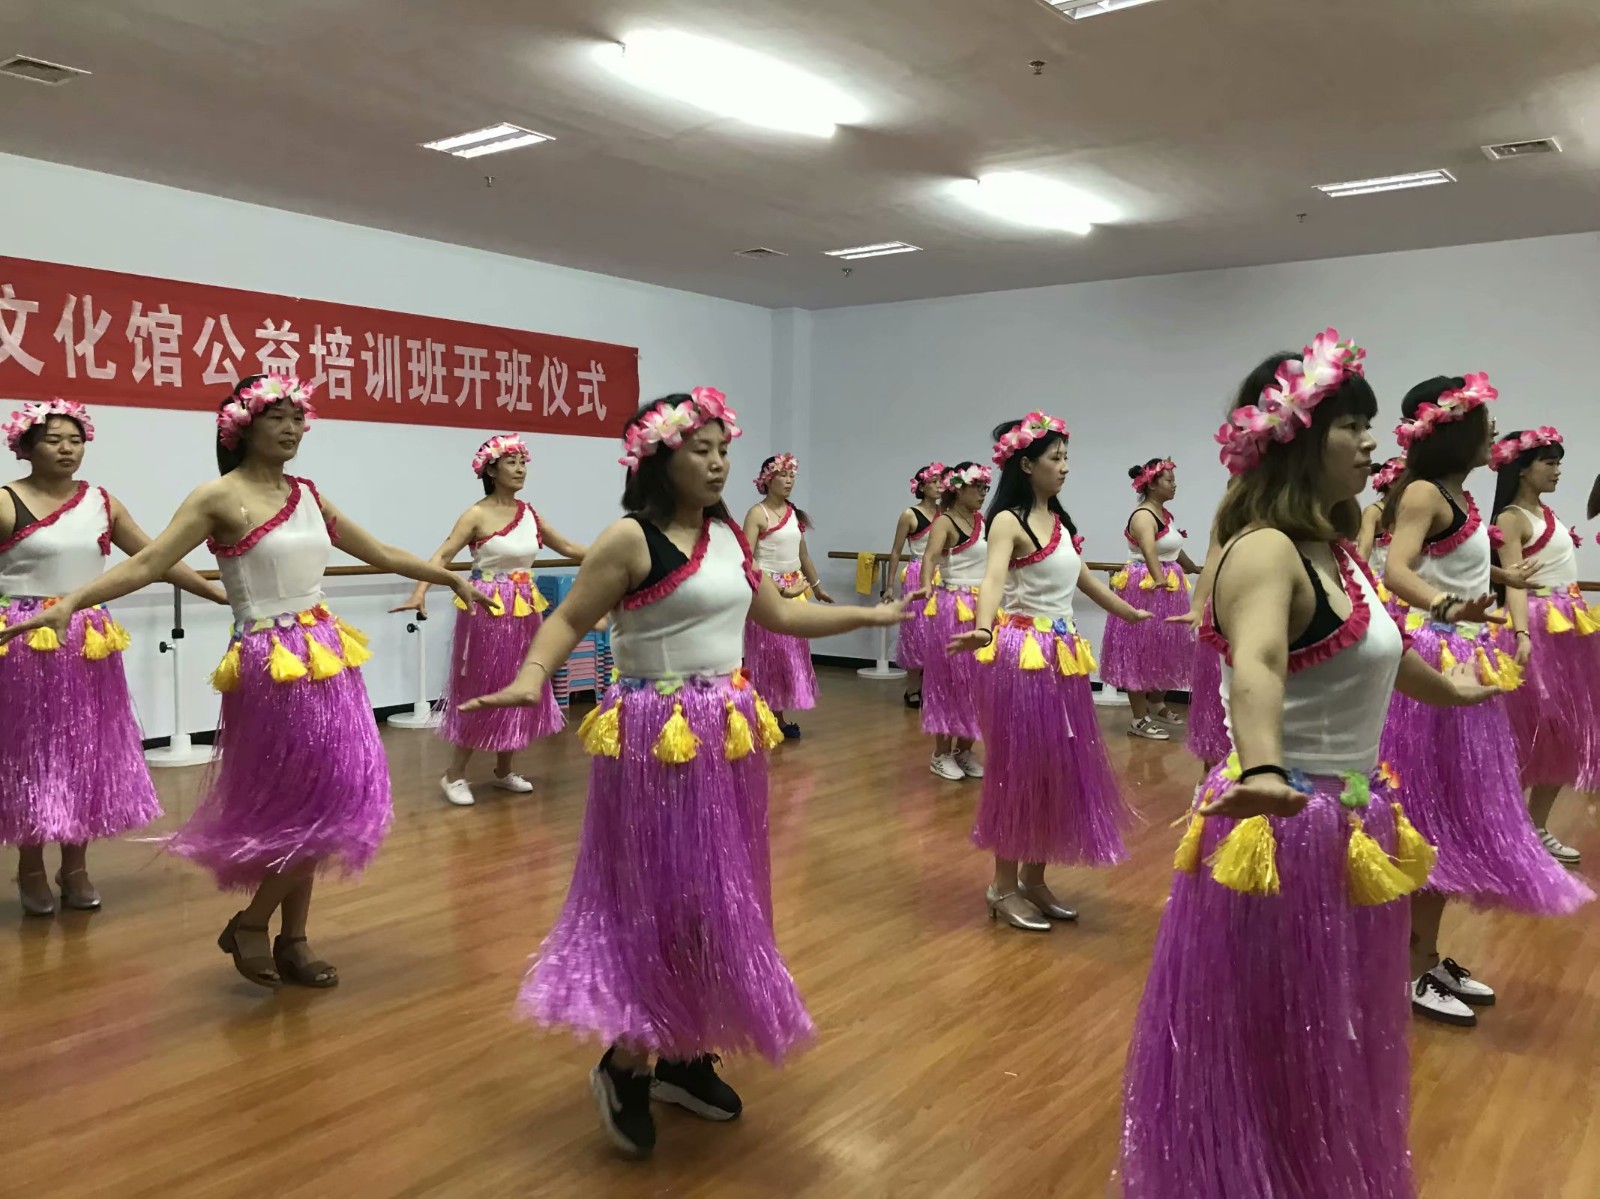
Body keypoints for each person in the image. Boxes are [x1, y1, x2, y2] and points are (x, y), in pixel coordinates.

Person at [460, 388, 906, 1159]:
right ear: (659, 458)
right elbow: (568, 617)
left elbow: (780, 616)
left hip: (727, 734)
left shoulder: (729, 535)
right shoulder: (629, 539)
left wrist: (871, 618)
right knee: (664, 895)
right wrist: (532, 676)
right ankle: (628, 1059)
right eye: (701, 449)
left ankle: (685, 1046)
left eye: (723, 449)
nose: (718, 462)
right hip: (655, 736)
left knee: (719, 895)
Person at [1121, 330, 1500, 1199]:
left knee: (1331, 1025)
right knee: (1273, 1026)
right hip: (1282, 821)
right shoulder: (1264, 549)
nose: (1371, 442)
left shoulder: (1339, 549)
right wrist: (1262, 766)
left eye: (1371, 425)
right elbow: (1257, 660)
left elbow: (1381, 647)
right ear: (1296, 438)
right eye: (1352, 426)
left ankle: (1302, 1169)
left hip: (1349, 815)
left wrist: (1453, 690)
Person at [1, 374, 493, 988]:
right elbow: (149, 562)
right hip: (269, 661)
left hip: (328, 655)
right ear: (241, 427)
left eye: (297, 418)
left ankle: (293, 939)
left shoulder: (308, 494)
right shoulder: (217, 497)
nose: (291, 428)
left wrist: (447, 577)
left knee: (326, 796)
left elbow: (381, 551)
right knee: (312, 801)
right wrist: (72, 602)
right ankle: (255, 924)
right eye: (276, 417)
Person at [1380, 375, 1593, 1026]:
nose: (1495, 435)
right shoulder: (1422, 491)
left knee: (1451, 816)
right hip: (1436, 658)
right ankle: (1407, 966)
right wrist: (1447, 606)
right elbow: (1397, 568)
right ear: (1453, 430)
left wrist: (1500, 579)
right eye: (1486, 424)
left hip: (1467, 654)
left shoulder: (1460, 497)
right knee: (1430, 817)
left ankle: (1424, 953)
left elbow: (1451, 561)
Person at [1, 398, 225, 916]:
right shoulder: (7, 502)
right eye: (54, 439)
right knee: (29, 753)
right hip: (25, 637)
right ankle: (30, 866)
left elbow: (155, 558)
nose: (66, 449)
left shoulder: (102, 502)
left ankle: (75, 866)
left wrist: (217, 593)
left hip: (88, 640)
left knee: (84, 751)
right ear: (27, 447)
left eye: (75, 440)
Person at [947, 413, 1150, 930]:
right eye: (1055, 458)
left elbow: (1084, 581)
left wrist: (1131, 613)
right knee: (1020, 768)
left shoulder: (1059, 523)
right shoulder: (1007, 521)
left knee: (1058, 767)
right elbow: (993, 580)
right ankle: (1002, 885)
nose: (1064, 467)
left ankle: (1034, 879)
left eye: (1066, 458)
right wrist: (984, 628)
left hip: (1063, 655)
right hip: (1023, 654)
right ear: (1025, 464)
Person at [392, 434, 589, 807]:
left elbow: (568, 547)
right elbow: (443, 555)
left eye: (523, 462)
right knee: (483, 684)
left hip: (525, 608)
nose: (520, 469)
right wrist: (419, 592)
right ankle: (454, 773)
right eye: (511, 462)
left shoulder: (529, 513)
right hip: (486, 608)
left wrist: (618, 554)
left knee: (520, 682)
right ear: (491, 470)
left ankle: (503, 769)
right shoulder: (476, 514)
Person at [1490, 426, 1599, 864]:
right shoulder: (1511, 518)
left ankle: (1535, 827)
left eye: (1558, 464)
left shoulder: (1545, 513)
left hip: (1568, 626)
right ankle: (1507, 828)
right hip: (1537, 624)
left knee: (1564, 734)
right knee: (1528, 734)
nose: (1557, 471)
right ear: (1522, 468)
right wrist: (1520, 634)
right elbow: (1514, 582)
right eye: (1549, 463)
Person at [1100, 458, 1201, 739]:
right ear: (1152, 484)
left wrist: (1192, 568)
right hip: (1145, 586)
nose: (1174, 485)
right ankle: (1139, 718)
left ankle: (1156, 703)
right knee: (1140, 649)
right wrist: (1159, 579)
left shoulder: (1164, 514)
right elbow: (1149, 550)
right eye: (1169, 480)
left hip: (1166, 583)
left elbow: (1171, 549)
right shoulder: (1144, 515)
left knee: (1166, 645)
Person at [742, 453, 832, 739]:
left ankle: (777, 718)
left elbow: (803, 555)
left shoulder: (794, 513)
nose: (789, 481)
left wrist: (817, 586)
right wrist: (777, 588)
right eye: (783, 475)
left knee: (789, 656)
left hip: (795, 590)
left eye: (792, 476)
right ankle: (762, 719)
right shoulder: (758, 514)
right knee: (768, 654)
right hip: (768, 589)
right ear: (768, 480)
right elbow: (746, 558)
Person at [914, 461, 989, 780]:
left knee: (977, 680)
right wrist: (926, 584)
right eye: (977, 487)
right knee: (949, 678)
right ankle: (941, 753)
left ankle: (965, 750)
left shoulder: (982, 521)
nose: (982, 493)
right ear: (958, 489)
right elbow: (930, 556)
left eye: (985, 488)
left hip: (982, 606)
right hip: (953, 606)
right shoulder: (945, 521)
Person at [882, 462, 945, 708]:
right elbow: (896, 551)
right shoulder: (910, 515)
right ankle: (913, 688)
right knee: (916, 631)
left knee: (938, 630)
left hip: (942, 575)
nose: (939, 486)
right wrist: (889, 586)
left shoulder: (945, 513)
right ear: (921, 487)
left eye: (941, 482)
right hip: (917, 573)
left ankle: (933, 686)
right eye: (934, 482)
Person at [1357, 455, 1404, 580]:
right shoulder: (1373, 512)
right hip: (1380, 584)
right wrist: (1357, 582)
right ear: (1392, 483)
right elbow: (1363, 551)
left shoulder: (1409, 513)